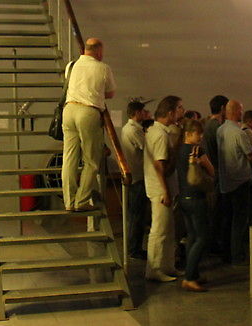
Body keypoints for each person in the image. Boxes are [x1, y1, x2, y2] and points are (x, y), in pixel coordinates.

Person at [62, 38, 116, 211]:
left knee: (69, 158)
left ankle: (69, 202)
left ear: (85, 50)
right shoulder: (103, 68)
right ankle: (82, 201)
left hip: (68, 110)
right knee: (91, 160)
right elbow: (110, 93)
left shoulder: (71, 65)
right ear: (99, 51)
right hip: (88, 112)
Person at [144, 95, 185, 282]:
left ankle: (168, 266)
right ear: (170, 112)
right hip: (161, 190)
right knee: (159, 231)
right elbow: (160, 165)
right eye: (179, 108)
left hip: (163, 187)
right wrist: (166, 191)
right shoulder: (160, 135)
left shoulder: (157, 131)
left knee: (168, 231)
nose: (182, 111)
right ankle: (154, 269)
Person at [216, 100, 252, 265]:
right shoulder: (240, 133)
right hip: (240, 180)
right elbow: (250, 155)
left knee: (227, 219)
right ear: (237, 112)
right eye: (241, 110)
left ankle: (226, 253)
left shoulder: (220, 130)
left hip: (225, 180)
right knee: (239, 220)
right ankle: (237, 254)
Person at [176, 119, 214, 292]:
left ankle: (194, 273)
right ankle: (189, 277)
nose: (201, 136)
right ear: (189, 133)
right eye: (198, 133)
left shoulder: (180, 150)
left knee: (192, 236)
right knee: (202, 237)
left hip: (184, 197)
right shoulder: (196, 150)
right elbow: (211, 170)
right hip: (197, 198)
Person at [121, 100, 149, 260]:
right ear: (137, 113)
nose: (145, 114)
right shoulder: (134, 130)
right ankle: (134, 248)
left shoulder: (128, 128)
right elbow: (147, 147)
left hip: (135, 176)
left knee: (136, 215)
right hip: (137, 177)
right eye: (143, 112)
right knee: (137, 216)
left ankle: (134, 246)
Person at [204, 95, 229, 254]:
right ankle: (214, 244)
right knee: (217, 211)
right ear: (222, 109)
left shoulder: (208, 125)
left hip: (211, 173)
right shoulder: (216, 127)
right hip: (216, 173)